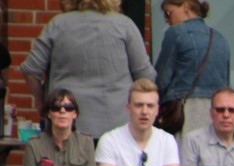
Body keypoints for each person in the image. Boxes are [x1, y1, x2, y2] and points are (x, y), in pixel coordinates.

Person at [19, 0, 156, 140]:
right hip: (116, 126)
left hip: (67, 123)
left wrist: (42, 102)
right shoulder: (124, 25)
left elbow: (30, 70)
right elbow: (146, 76)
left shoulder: (57, 25)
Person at [95, 79, 181, 166]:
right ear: (128, 108)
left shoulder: (167, 140)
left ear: (157, 110)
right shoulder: (109, 140)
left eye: (150, 106)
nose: (144, 111)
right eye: (139, 105)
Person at [155, 0, 230, 140]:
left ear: (186, 6)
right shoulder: (220, 38)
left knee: (184, 150)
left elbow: (162, 78)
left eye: (168, 13)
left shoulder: (175, 33)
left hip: (185, 109)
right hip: (215, 109)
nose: (166, 20)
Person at [21, 88, 97, 166]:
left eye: (68, 107)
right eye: (56, 107)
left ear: (75, 114)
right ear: (49, 114)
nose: (62, 111)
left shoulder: (86, 143)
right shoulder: (34, 144)